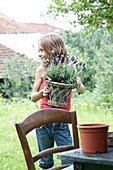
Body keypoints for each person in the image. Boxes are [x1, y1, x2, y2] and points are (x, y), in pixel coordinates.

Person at [31, 33, 85, 170]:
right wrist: (42, 94)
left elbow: (82, 90)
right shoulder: (41, 69)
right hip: (44, 120)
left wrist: (78, 84)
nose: (39, 54)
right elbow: (33, 97)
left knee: (68, 159)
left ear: (54, 49)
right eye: (39, 50)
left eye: (42, 50)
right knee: (46, 161)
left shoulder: (70, 68)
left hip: (62, 120)